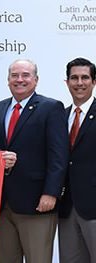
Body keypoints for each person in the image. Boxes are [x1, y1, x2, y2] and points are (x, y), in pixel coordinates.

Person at [0, 59, 68, 263]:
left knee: (38, 259)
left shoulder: (51, 108)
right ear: (8, 80)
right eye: (14, 75)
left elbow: (58, 155)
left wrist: (51, 193)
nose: (19, 80)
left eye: (25, 75)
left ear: (36, 80)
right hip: (3, 204)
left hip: (37, 204)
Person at [59, 57, 96, 263]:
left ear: (94, 82)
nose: (79, 83)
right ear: (67, 82)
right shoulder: (61, 116)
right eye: (74, 78)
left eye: (85, 78)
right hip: (67, 207)